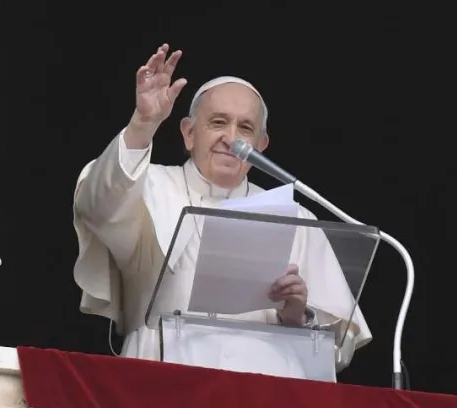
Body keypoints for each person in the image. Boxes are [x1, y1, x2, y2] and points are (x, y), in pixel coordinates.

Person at [72, 43, 371, 379]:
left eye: (245, 128)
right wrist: (143, 122)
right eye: (218, 122)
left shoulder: (294, 217)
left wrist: (297, 315)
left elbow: (336, 349)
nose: (231, 138)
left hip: (266, 389)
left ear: (261, 146)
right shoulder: (149, 186)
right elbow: (97, 204)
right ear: (188, 133)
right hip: (163, 375)